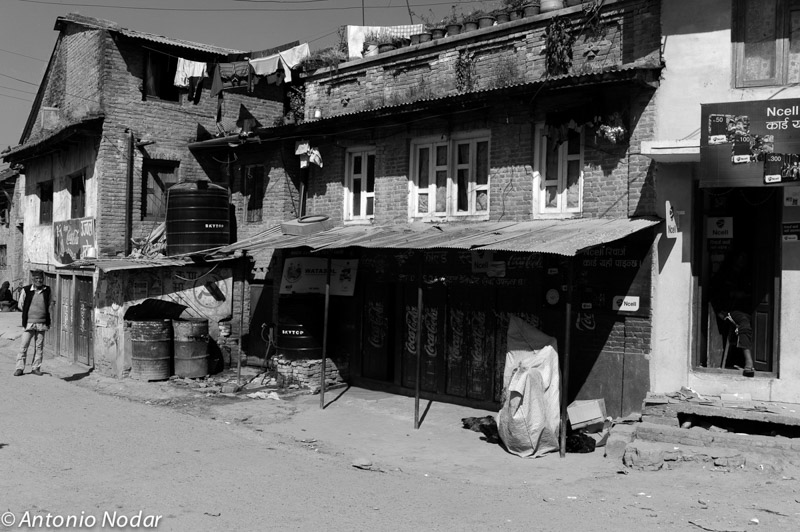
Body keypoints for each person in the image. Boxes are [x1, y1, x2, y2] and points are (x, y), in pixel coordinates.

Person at [711, 251, 755, 377]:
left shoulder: (746, 274)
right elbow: (716, 292)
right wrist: (734, 294)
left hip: (745, 309)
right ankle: (748, 362)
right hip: (729, 309)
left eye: (744, 258)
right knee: (744, 323)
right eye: (740, 258)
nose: (742, 261)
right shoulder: (725, 274)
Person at [14, 270, 51, 377]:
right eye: (37, 279)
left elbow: (49, 304)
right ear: (33, 280)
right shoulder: (26, 290)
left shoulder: (47, 290)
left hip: (42, 323)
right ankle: (19, 368)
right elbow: (21, 305)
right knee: (23, 346)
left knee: (39, 347)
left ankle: (36, 368)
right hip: (29, 323)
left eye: (41, 279)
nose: (39, 280)